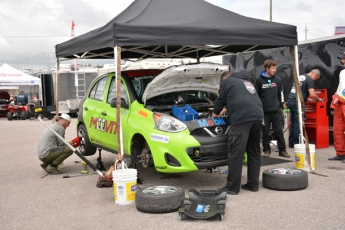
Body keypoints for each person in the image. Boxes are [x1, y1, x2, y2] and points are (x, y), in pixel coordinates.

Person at [212, 70, 263, 195]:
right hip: (257, 116)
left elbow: (219, 101)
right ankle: (253, 184)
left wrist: (213, 116)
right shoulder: (246, 81)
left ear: (224, 78)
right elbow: (240, 97)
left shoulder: (226, 82)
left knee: (236, 153)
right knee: (254, 151)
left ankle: (232, 187)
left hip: (241, 118)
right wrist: (227, 107)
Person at [255, 60, 290, 158]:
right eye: (273, 68)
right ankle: (266, 150)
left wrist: (282, 105)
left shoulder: (277, 79)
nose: (275, 70)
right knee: (265, 131)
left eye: (275, 68)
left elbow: (281, 93)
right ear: (267, 68)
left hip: (276, 110)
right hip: (264, 111)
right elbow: (256, 95)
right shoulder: (259, 80)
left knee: (279, 130)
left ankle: (282, 150)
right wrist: (258, 107)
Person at [287, 69, 323, 147]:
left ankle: (291, 143)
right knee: (298, 122)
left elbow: (299, 90)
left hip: (291, 100)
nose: (315, 80)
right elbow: (313, 94)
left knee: (293, 122)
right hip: (298, 103)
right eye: (316, 79)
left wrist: (307, 99)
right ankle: (297, 143)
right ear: (315, 75)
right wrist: (319, 99)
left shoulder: (300, 77)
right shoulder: (310, 80)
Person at [328, 51, 345, 162]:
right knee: (338, 130)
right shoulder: (342, 72)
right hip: (339, 103)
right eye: (342, 59)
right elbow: (339, 88)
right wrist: (334, 104)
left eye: (343, 59)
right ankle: (340, 153)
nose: (342, 61)